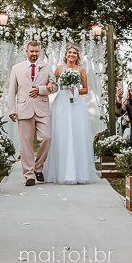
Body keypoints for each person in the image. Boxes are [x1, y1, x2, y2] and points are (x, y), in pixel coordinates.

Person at [43, 45, 97, 185]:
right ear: (66, 55)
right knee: (61, 134)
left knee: (77, 133)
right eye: (69, 52)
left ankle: (79, 172)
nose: (71, 55)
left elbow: (86, 89)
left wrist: (76, 90)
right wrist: (48, 86)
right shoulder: (59, 69)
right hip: (61, 103)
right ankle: (60, 171)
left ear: (77, 56)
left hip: (77, 103)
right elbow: (54, 85)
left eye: (74, 53)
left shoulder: (81, 70)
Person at [7, 39, 57, 186]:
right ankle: (29, 175)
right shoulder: (17, 68)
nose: (34, 54)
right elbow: (12, 90)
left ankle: (38, 167)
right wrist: (12, 110)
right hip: (24, 109)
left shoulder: (47, 67)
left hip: (42, 109)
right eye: (31, 51)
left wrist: (41, 90)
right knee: (26, 144)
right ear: (27, 51)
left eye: (36, 51)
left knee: (46, 138)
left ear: (39, 52)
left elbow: (55, 87)